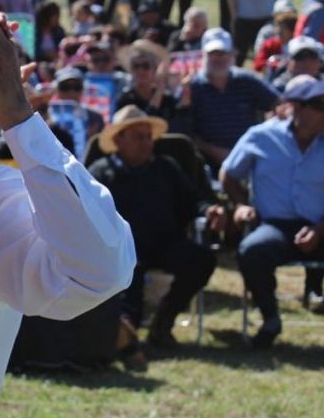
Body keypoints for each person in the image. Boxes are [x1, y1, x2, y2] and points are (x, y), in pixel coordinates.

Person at [89, 105, 221, 344]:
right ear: (119, 140)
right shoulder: (100, 174)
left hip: (164, 242)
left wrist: (209, 210)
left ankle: (164, 320)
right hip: (121, 249)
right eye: (139, 137)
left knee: (202, 260)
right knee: (130, 284)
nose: (146, 143)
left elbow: (193, 201)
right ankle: (125, 334)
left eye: (149, 137)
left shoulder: (165, 167)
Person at [222, 77, 324, 348]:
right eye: (320, 105)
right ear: (298, 109)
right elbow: (228, 175)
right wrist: (241, 203)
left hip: (321, 226)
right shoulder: (262, 136)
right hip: (277, 226)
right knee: (252, 250)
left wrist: (319, 229)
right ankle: (270, 320)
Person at [184, 28, 280, 170]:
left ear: (231, 54)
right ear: (204, 55)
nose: (219, 58)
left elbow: (278, 104)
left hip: (251, 156)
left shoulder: (247, 80)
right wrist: (214, 151)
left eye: (223, 53)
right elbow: (188, 133)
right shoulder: (193, 87)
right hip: (206, 162)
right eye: (213, 54)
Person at [116, 41, 188, 132]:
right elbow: (144, 127)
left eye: (145, 66)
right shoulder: (125, 99)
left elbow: (179, 126)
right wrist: (159, 91)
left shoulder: (167, 99)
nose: (140, 71)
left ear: (154, 70)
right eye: (136, 66)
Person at [254, 10, 297, 75]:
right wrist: (276, 65)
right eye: (277, 26)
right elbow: (258, 64)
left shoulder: (298, 46)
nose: (279, 31)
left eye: (283, 28)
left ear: (292, 31)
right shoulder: (270, 45)